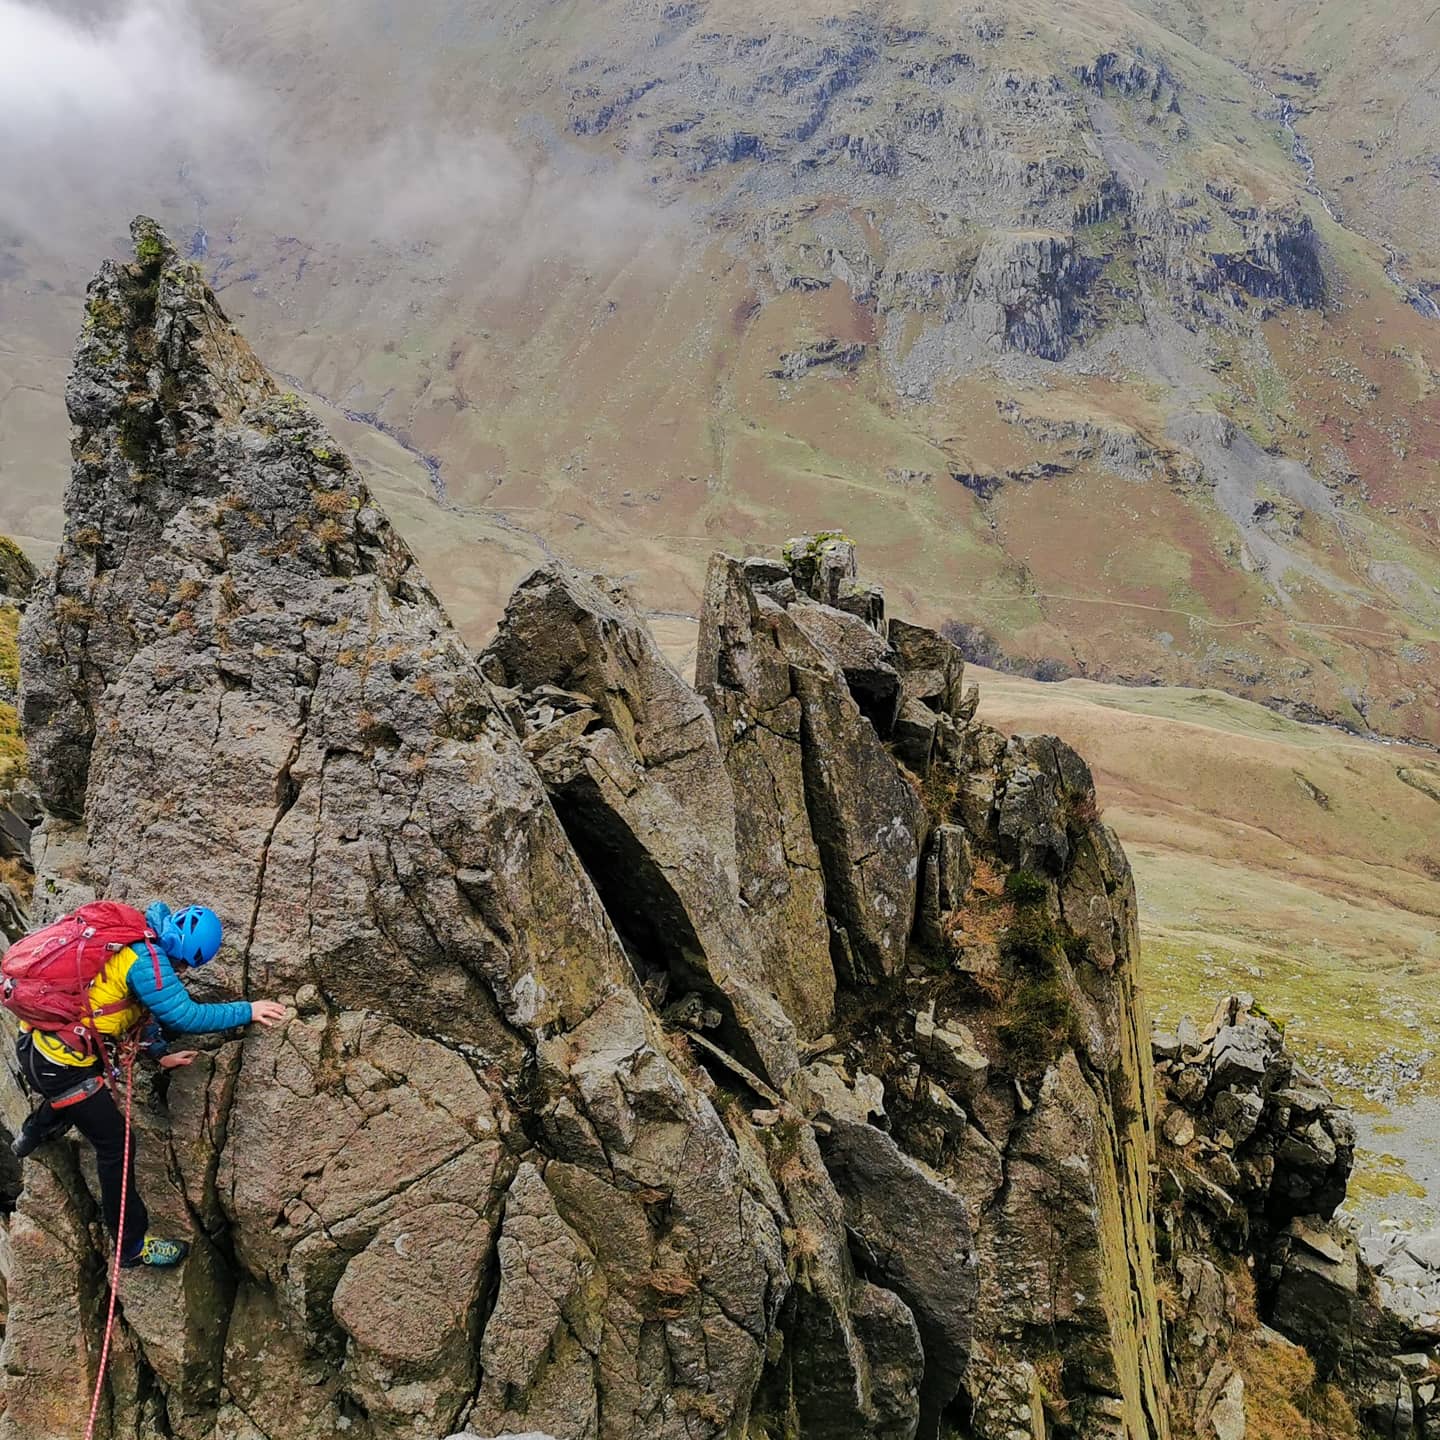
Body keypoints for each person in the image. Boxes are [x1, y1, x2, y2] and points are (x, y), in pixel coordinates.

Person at [11, 901, 286, 1268]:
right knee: (117, 1146)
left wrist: (158, 1054)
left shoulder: (135, 938)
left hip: (38, 1047)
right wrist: (248, 1010)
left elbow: (133, 1010)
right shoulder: (148, 961)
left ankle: (31, 1136)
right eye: (188, 965)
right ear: (187, 955)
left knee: (73, 1102)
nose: (184, 972)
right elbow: (184, 1015)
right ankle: (130, 1248)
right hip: (62, 1066)